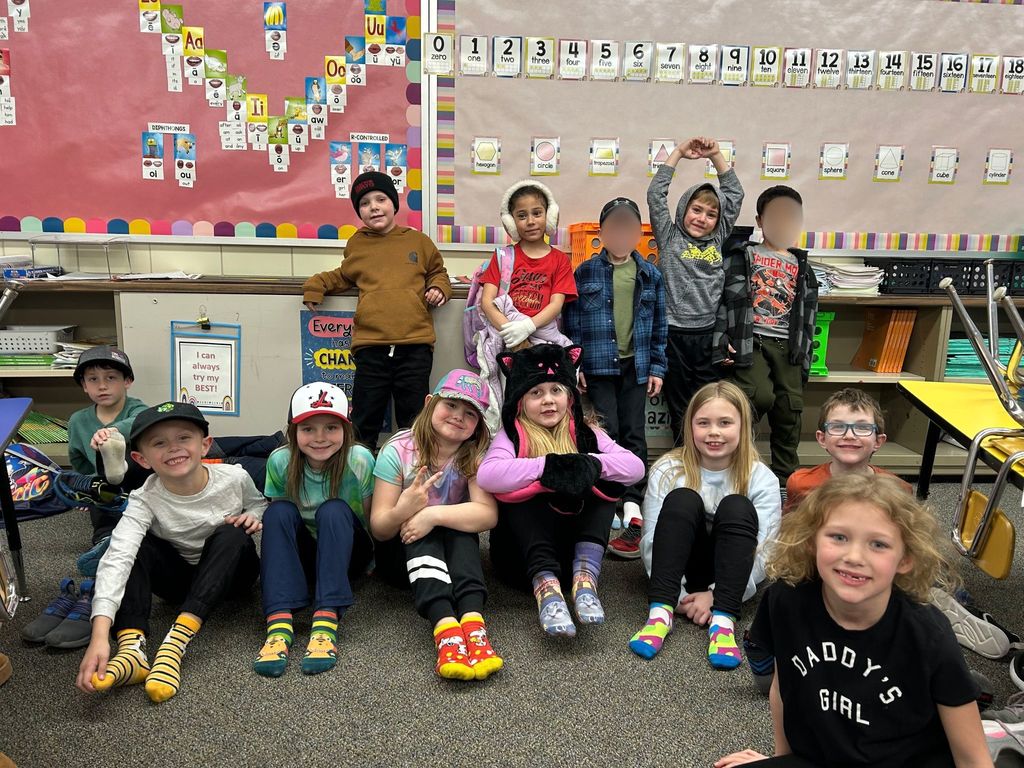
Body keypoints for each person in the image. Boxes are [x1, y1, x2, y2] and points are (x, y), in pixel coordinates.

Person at [715, 474, 992, 768]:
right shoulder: (786, 600)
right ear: (811, 541)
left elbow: (973, 759)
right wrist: (783, 760)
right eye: (838, 537)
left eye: (878, 544)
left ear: (905, 559)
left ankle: (1002, 726)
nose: (854, 556)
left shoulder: (927, 634)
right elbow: (783, 686)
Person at [75, 402, 265, 703]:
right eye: (159, 443)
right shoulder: (143, 498)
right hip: (178, 581)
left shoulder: (234, 477)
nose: (173, 449)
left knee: (232, 532)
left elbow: (258, 503)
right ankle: (132, 649)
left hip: (233, 578)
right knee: (129, 545)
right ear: (141, 458)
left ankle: (176, 641)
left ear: (205, 445)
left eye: (183, 438)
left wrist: (255, 515)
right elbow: (118, 558)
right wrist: (99, 636)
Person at [477, 344, 645, 637]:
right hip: (522, 564)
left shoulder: (587, 432)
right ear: (519, 401)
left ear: (570, 396)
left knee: (601, 481)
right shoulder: (512, 435)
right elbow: (488, 476)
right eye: (536, 393)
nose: (548, 401)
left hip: (572, 563)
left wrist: (587, 464)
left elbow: (634, 467)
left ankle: (586, 578)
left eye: (556, 390)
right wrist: (546, 468)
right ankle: (547, 588)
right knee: (528, 489)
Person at [630, 381, 781, 668]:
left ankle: (724, 621)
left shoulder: (761, 478)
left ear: (743, 427)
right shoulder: (667, 469)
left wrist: (716, 596)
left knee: (738, 506)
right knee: (682, 499)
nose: (714, 432)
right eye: (703, 423)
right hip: (677, 569)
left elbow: (765, 552)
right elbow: (650, 539)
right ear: (690, 427)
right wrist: (677, 596)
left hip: (731, 577)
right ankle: (659, 614)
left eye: (725, 423)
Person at [302, 170, 451, 451]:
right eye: (365, 203)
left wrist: (439, 288)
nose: (374, 207)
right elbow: (342, 276)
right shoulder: (358, 244)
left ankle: (411, 473)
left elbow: (438, 272)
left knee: (414, 419)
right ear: (359, 212)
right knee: (364, 418)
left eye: (381, 199)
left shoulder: (418, 241)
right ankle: (360, 474)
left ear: (394, 204)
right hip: (371, 347)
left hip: (415, 346)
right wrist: (315, 286)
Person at [369, 370, 502, 681]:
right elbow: (380, 528)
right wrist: (406, 509)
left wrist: (433, 514)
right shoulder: (398, 450)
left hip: (449, 553)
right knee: (419, 524)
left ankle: (473, 623)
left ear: (478, 426)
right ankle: (445, 627)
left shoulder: (475, 455)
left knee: (458, 523)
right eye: (451, 406)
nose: (458, 417)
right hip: (400, 559)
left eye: (470, 414)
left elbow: (487, 515)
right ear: (430, 403)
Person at [564, 196, 667, 558]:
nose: (621, 234)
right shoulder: (586, 272)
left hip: (635, 365)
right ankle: (608, 495)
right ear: (603, 232)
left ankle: (634, 502)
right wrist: (575, 365)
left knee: (634, 431)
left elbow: (659, 326)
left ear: (638, 234)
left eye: (629, 228)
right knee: (605, 431)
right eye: (614, 227)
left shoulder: (650, 274)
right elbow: (572, 324)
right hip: (599, 365)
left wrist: (657, 367)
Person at [253, 383, 375, 678]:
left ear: (346, 428)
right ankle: (279, 622)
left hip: (348, 554)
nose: (320, 438)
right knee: (278, 512)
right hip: (307, 556)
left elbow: (369, 521)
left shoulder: (359, 459)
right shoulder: (280, 461)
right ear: (293, 432)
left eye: (331, 427)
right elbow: (283, 528)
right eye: (308, 429)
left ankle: (326, 616)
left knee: (333, 509)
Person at [715, 185, 819, 483]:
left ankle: (787, 481)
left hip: (789, 346)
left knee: (789, 410)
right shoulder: (741, 257)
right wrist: (721, 342)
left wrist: (805, 358)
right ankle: (741, 472)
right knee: (755, 398)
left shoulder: (804, 268)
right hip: (752, 341)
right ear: (760, 221)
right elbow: (721, 303)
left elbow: (809, 319)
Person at [647, 137, 744, 444]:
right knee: (679, 408)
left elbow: (735, 193)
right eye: (696, 210)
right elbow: (655, 195)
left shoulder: (718, 239)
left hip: (707, 337)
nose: (702, 218)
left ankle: (707, 461)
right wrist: (678, 154)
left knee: (706, 406)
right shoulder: (669, 236)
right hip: (672, 335)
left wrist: (716, 156)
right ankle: (683, 461)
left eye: (710, 214)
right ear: (684, 210)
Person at [475, 180, 577, 430]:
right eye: (522, 215)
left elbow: (557, 303)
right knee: (512, 403)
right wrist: (511, 331)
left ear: (549, 216)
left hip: (544, 341)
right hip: (509, 342)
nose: (530, 221)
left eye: (537, 213)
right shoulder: (502, 257)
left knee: (544, 402)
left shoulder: (559, 260)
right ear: (511, 222)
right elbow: (487, 302)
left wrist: (528, 326)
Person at [62, 346, 149, 572]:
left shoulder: (137, 409)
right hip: (106, 485)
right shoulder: (78, 421)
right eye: (93, 379)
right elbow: (78, 459)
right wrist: (85, 489)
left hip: (140, 482)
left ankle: (142, 540)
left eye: (111, 378)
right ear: (84, 385)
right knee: (101, 493)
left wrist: (111, 432)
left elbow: (139, 420)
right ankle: (104, 543)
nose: (102, 385)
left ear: (127, 381)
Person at [785, 388, 910, 514]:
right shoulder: (800, 484)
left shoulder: (898, 489)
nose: (849, 435)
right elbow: (791, 530)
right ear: (822, 438)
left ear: (878, 441)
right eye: (838, 426)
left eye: (862, 427)